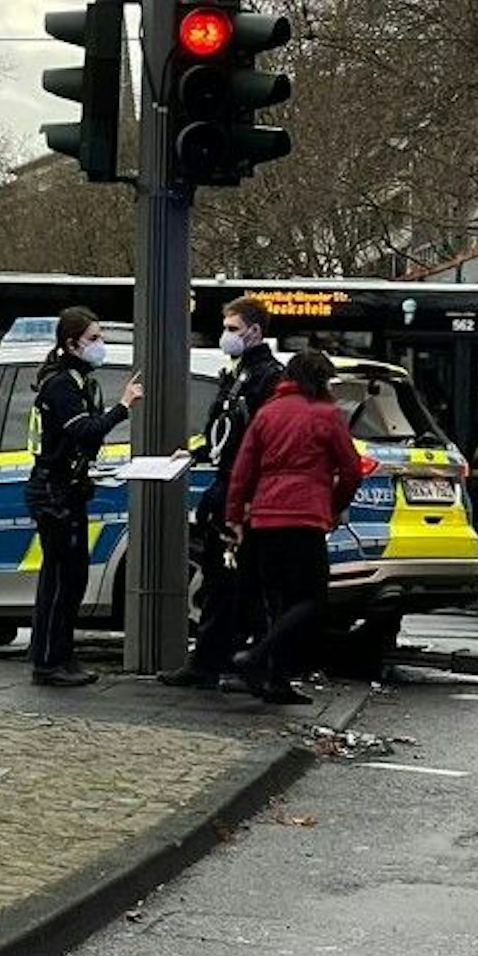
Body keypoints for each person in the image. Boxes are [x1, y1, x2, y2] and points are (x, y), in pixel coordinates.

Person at [224, 349, 362, 706]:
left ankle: (276, 681)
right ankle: (258, 656)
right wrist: (332, 506)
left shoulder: (268, 412)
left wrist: (234, 517)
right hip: (305, 518)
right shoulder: (326, 415)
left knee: (278, 601)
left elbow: (242, 470)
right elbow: (351, 470)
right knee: (311, 599)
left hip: (265, 517)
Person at [161, 294, 284, 689]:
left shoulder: (269, 378)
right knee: (223, 581)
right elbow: (219, 429)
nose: (225, 337)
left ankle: (254, 664)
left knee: (246, 584)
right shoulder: (234, 375)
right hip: (226, 485)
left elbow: (259, 439)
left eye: (232, 329)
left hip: (245, 489)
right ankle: (215, 662)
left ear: (254, 331)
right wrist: (195, 450)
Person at [24, 307, 143, 687]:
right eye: (93, 338)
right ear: (71, 343)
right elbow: (83, 431)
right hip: (54, 490)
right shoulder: (61, 385)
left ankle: (59, 654)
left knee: (70, 578)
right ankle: (48, 662)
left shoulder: (77, 380)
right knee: (62, 579)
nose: (100, 345)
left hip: (68, 488)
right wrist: (123, 407)